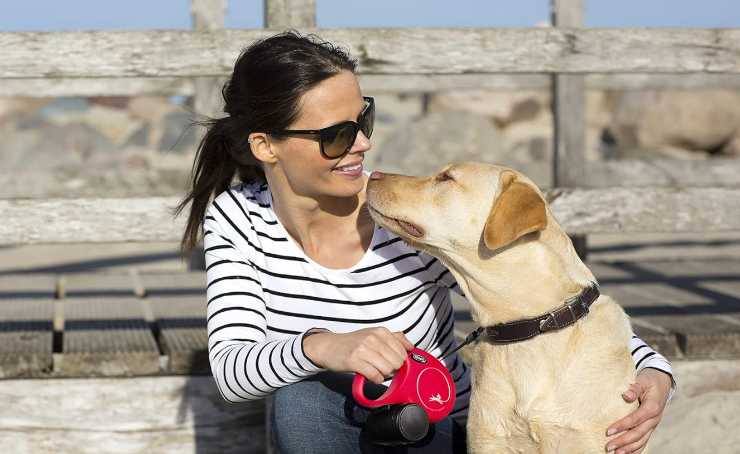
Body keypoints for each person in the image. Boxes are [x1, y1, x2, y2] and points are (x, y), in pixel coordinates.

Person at [176, 30, 676, 454]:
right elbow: (231, 370)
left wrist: (655, 372)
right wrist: (328, 346)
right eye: (335, 135)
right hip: (326, 431)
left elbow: (538, 298)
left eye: (363, 120)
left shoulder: (406, 214)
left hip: (436, 431)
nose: (363, 144)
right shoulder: (239, 219)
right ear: (266, 146)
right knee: (302, 399)